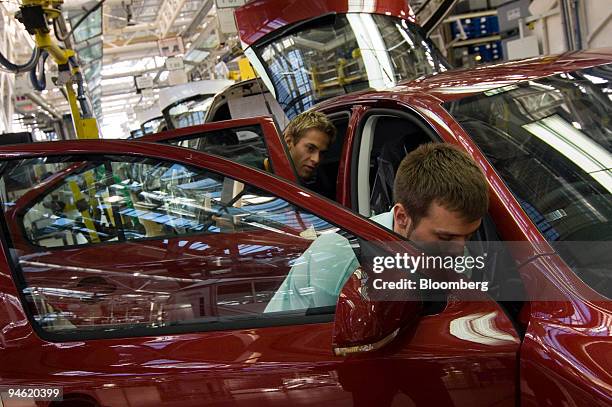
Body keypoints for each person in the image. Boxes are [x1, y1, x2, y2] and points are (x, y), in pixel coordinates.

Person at [265, 142, 489, 313]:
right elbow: (314, 346)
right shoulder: (340, 256)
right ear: (402, 217)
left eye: (468, 236)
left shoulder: (455, 253)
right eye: (446, 237)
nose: (460, 250)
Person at [263, 111, 337, 197]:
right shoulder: (255, 176)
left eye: (322, 153)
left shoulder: (321, 186)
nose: (316, 159)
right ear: (288, 141)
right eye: (310, 148)